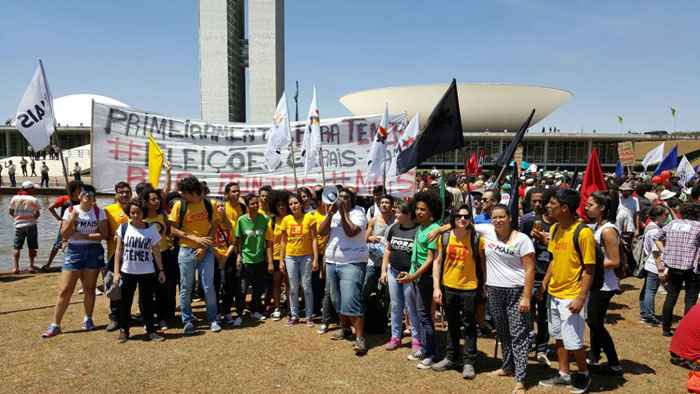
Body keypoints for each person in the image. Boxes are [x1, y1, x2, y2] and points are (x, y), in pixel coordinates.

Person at [538, 189, 595, 393]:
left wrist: (581, 297)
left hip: (572, 295)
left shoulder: (583, 232)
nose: (547, 206)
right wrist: (545, 283)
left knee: (574, 340)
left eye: (552, 203)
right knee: (559, 337)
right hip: (554, 293)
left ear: (564, 208)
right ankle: (564, 374)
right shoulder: (555, 229)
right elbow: (554, 259)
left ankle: (583, 375)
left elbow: (589, 268)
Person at [478, 204, 535, 393]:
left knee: (519, 334)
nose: (498, 220)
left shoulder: (522, 239)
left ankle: (521, 378)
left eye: (502, 217)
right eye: (494, 217)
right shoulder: (487, 231)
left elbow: (529, 269)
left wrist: (526, 296)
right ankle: (507, 367)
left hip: (516, 291)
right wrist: (443, 228)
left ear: (510, 218)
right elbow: (463, 224)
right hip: (494, 290)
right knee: (502, 332)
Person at [42, 184, 108, 338]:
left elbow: (103, 234)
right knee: (65, 290)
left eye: (91, 194)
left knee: (89, 288)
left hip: (93, 251)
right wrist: (72, 220)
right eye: (85, 193)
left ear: (94, 197)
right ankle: (55, 324)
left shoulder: (99, 212)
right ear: (79, 196)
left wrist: (84, 236)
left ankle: (88, 318)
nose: (88, 196)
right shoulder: (70, 211)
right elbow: (65, 235)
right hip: (74, 252)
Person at [430, 205, 484, 379]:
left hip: (470, 287)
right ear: (453, 218)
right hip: (449, 286)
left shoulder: (477, 237)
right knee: (451, 324)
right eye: (459, 216)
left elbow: (482, 262)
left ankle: (469, 362)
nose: (462, 219)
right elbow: (437, 262)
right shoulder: (445, 237)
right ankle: (451, 357)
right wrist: (436, 287)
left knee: (469, 325)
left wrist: (485, 284)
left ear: (470, 218)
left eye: (466, 216)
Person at [318, 187, 369, 355]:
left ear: (352, 200)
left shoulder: (358, 212)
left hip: (352, 262)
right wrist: (331, 214)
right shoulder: (333, 213)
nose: (341, 200)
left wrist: (343, 212)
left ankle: (360, 338)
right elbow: (321, 231)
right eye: (339, 197)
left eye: (346, 197)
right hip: (332, 262)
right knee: (336, 299)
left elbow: (352, 232)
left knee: (351, 299)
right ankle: (345, 328)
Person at [168, 176, 222, 334]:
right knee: (186, 287)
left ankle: (213, 319)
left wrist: (204, 247)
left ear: (192, 192)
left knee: (208, 286)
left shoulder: (209, 204)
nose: (181, 195)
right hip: (186, 251)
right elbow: (172, 229)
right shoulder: (179, 205)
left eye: (183, 192)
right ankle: (187, 320)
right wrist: (195, 238)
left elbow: (214, 226)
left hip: (206, 251)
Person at [398, 191, 442, 368]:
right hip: (416, 278)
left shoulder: (433, 230)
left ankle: (431, 353)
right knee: (418, 314)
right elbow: (416, 256)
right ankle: (424, 348)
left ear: (431, 212)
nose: (418, 212)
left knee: (425, 317)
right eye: (416, 209)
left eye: (423, 209)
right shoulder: (421, 228)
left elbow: (430, 259)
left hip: (426, 278)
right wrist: (409, 273)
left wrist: (415, 276)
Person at [113, 198, 166, 342]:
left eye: (138, 213)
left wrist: (161, 270)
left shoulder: (151, 229)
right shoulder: (123, 228)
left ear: (143, 213)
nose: (135, 216)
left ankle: (150, 330)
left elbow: (156, 251)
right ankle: (124, 330)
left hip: (147, 272)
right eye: (132, 213)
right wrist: (116, 272)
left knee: (147, 303)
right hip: (127, 271)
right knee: (125, 302)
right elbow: (118, 251)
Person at [584, 191, 623, 375]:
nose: (586, 207)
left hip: (604, 284)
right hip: (596, 281)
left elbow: (615, 261)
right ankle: (594, 356)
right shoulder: (595, 227)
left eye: (590, 204)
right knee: (593, 321)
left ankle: (614, 362)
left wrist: (590, 265)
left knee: (594, 322)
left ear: (602, 208)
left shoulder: (607, 230)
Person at [380, 199, 421, 353]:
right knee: (396, 305)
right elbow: (388, 250)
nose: (396, 214)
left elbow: (419, 255)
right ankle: (395, 337)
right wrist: (384, 271)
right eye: (395, 211)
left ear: (408, 214)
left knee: (411, 307)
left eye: (399, 212)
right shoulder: (393, 229)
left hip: (409, 274)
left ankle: (416, 338)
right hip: (393, 271)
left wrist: (412, 273)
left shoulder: (417, 230)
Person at [520, 187, 555, 365]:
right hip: (528, 274)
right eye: (534, 201)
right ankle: (526, 342)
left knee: (544, 315)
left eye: (541, 201)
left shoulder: (556, 223)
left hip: (548, 275)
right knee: (525, 312)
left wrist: (545, 240)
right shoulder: (526, 220)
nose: (538, 204)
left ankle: (542, 348)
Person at [655, 202, 700, 337]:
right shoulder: (698, 226)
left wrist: (665, 252)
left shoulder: (673, 224)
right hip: (692, 267)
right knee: (690, 300)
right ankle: (687, 330)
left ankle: (666, 328)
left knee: (671, 296)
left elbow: (656, 238)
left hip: (673, 265)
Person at [280, 193, 318, 325]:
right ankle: (294, 315)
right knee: (293, 287)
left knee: (306, 286)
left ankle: (309, 316)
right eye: (291, 204)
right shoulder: (286, 220)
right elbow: (283, 241)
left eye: (296, 203)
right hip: (290, 257)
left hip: (306, 256)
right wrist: (281, 260)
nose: (293, 206)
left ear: (301, 204)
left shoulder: (309, 218)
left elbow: (314, 239)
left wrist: (315, 259)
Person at [143, 189, 178, 330]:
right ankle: (148, 319)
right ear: (145, 202)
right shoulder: (141, 218)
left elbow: (169, 232)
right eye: (153, 199)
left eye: (157, 199)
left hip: (164, 255)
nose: (156, 202)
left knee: (162, 289)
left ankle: (163, 318)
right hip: (146, 258)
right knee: (146, 291)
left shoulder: (163, 215)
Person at [235, 193, 273, 322]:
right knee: (242, 289)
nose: (256, 205)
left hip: (260, 260)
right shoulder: (241, 220)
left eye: (257, 203)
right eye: (252, 204)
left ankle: (255, 311)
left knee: (258, 288)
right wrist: (239, 256)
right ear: (247, 205)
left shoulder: (264, 219)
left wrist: (269, 261)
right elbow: (239, 240)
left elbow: (268, 241)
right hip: (246, 260)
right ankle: (239, 314)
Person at [103, 182, 133, 332]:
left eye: (127, 192)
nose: (124, 194)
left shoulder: (136, 209)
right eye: (121, 192)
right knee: (114, 286)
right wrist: (111, 236)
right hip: (114, 254)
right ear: (116, 194)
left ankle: (127, 315)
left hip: (133, 255)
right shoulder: (108, 210)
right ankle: (114, 317)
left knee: (129, 288)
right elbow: (103, 232)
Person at [216, 182, 245, 326]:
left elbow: (240, 232)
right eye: (233, 191)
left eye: (238, 191)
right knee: (217, 284)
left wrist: (239, 252)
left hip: (234, 250)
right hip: (218, 251)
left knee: (231, 283)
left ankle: (227, 312)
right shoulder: (221, 207)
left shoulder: (243, 208)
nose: (237, 193)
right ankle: (217, 313)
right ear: (227, 194)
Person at [41, 181, 82, 271]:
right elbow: (51, 207)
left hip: (80, 225)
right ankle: (48, 264)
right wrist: (58, 218)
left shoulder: (82, 200)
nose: (81, 190)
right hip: (66, 225)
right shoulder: (65, 199)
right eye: (79, 188)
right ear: (74, 190)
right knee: (58, 244)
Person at [365, 194, 394, 314]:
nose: (384, 205)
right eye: (382, 202)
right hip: (373, 261)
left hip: (389, 262)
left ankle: (384, 316)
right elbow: (365, 238)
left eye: (387, 202)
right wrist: (373, 238)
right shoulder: (374, 219)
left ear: (392, 206)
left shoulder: (395, 220)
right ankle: (366, 314)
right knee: (368, 287)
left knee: (387, 291)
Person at [639, 206, 668, 327]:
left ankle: (644, 313)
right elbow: (656, 252)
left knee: (647, 290)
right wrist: (661, 269)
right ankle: (649, 316)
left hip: (650, 262)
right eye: (665, 215)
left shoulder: (650, 227)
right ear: (659, 216)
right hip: (654, 264)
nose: (666, 217)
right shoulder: (655, 231)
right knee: (651, 291)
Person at [267, 190, 290, 321]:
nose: (281, 207)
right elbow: (268, 244)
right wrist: (270, 262)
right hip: (276, 257)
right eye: (278, 205)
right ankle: (277, 308)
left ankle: (289, 307)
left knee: (289, 284)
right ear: (274, 206)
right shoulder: (272, 221)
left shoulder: (292, 218)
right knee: (276, 283)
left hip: (291, 256)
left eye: (283, 204)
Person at [9, 181, 41, 274]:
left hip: (18, 225)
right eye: (33, 188)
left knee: (17, 247)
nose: (34, 190)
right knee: (32, 247)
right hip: (31, 225)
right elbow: (37, 213)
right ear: (30, 189)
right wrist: (32, 219)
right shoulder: (33, 199)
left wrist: (17, 218)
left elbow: (11, 212)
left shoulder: (15, 198)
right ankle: (31, 266)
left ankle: (16, 268)